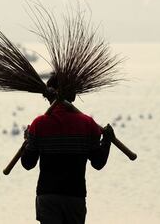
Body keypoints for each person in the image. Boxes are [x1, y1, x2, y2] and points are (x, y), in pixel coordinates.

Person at [21, 74, 114, 224]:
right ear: (74, 96)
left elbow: (27, 164)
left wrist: (28, 141)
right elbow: (98, 163)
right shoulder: (88, 124)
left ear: (48, 97)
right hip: (75, 197)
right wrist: (107, 140)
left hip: (48, 197)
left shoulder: (39, 124)